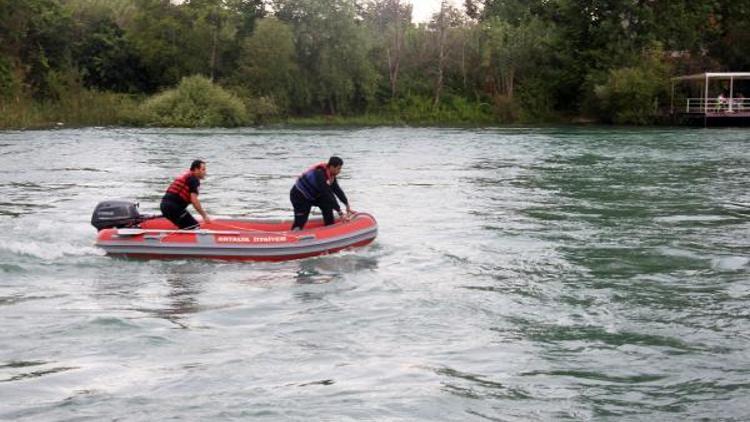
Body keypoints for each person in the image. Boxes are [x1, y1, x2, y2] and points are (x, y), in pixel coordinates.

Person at [290, 156, 352, 230]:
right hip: (299, 195)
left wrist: (346, 204)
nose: (339, 171)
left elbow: (337, 190)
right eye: (338, 168)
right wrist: (340, 212)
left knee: (327, 206)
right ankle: (295, 233)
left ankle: (329, 228)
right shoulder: (320, 174)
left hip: (312, 195)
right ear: (332, 167)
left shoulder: (330, 175)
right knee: (301, 219)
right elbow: (327, 194)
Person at [160, 160, 211, 229]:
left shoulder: (187, 176)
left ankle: (179, 236)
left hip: (164, 205)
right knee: (194, 227)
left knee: (186, 226)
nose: (205, 172)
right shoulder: (194, 179)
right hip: (173, 207)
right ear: (196, 169)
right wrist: (204, 216)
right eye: (203, 169)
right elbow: (194, 201)